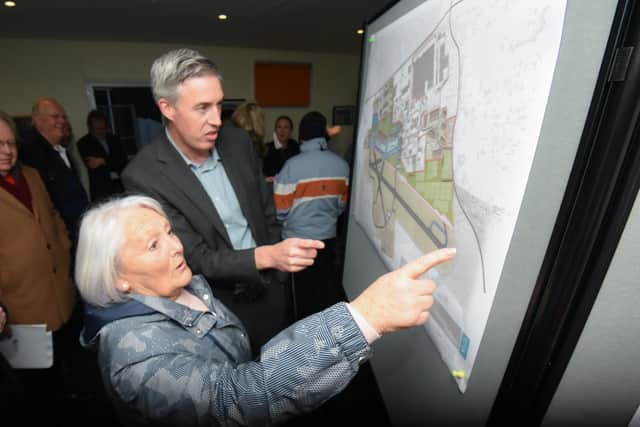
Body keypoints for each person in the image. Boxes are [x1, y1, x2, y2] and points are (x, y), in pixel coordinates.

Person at [75, 195, 455, 426]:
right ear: (119, 278)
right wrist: (363, 317)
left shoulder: (182, 283)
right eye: (153, 245)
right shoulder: (135, 357)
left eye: (169, 232)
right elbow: (235, 401)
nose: (176, 246)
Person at [121, 48, 324, 352]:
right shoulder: (144, 176)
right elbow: (196, 257)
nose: (216, 120)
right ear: (168, 108)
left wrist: (277, 277)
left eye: (219, 105)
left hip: (269, 290)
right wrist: (271, 256)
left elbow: (267, 212)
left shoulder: (239, 143)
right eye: (202, 108)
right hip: (215, 308)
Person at [0, 110, 85, 415]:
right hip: (20, 311)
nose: (7, 151)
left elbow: (52, 215)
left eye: (10, 143)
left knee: (72, 369)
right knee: (38, 389)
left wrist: (63, 246)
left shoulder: (32, 175)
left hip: (61, 293)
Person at [273, 111, 350, 318]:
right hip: (328, 240)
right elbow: (341, 206)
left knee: (299, 298)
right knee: (324, 291)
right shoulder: (342, 165)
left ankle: (300, 340)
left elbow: (280, 211)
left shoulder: (291, 165)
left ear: (302, 136)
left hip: (297, 241)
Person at [19, 97, 89, 242]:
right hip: (60, 237)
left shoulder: (61, 149)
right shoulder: (31, 154)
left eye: (63, 117)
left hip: (78, 231)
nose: (62, 121)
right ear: (38, 120)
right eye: (55, 117)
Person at [77, 109, 128, 201]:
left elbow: (122, 161)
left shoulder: (114, 139)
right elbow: (92, 165)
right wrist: (111, 162)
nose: (101, 131)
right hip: (101, 189)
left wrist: (102, 161)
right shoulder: (83, 143)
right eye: (97, 129)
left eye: (103, 128)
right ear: (91, 128)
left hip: (120, 185)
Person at [263, 115, 300, 181]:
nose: (282, 131)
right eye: (279, 127)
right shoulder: (267, 148)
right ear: (275, 130)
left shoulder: (296, 147)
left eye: (286, 127)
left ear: (291, 130)